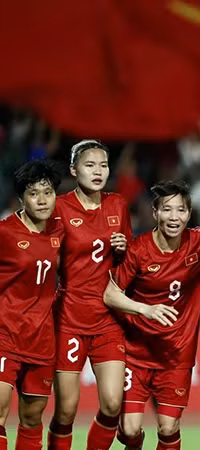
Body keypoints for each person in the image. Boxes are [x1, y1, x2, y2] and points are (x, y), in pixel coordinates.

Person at [103, 180, 200, 450]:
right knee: (129, 430)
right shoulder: (139, 249)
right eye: (167, 209)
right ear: (155, 213)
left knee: (168, 427)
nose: (174, 217)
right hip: (136, 353)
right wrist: (146, 309)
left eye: (181, 210)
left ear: (189, 214)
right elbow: (110, 294)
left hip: (175, 354)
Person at [48, 140, 133, 450]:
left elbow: (127, 266)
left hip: (108, 320)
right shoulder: (58, 207)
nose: (98, 171)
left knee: (112, 404)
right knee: (66, 410)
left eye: (103, 165)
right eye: (89, 165)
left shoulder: (118, 205)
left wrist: (125, 251)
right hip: (69, 317)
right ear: (74, 169)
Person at [0, 160, 64, 450]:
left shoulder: (61, 232)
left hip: (42, 339)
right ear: (21, 198)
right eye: (33, 193)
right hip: (6, 333)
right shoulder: (5, 232)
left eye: (47, 192)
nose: (41, 199)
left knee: (31, 418)